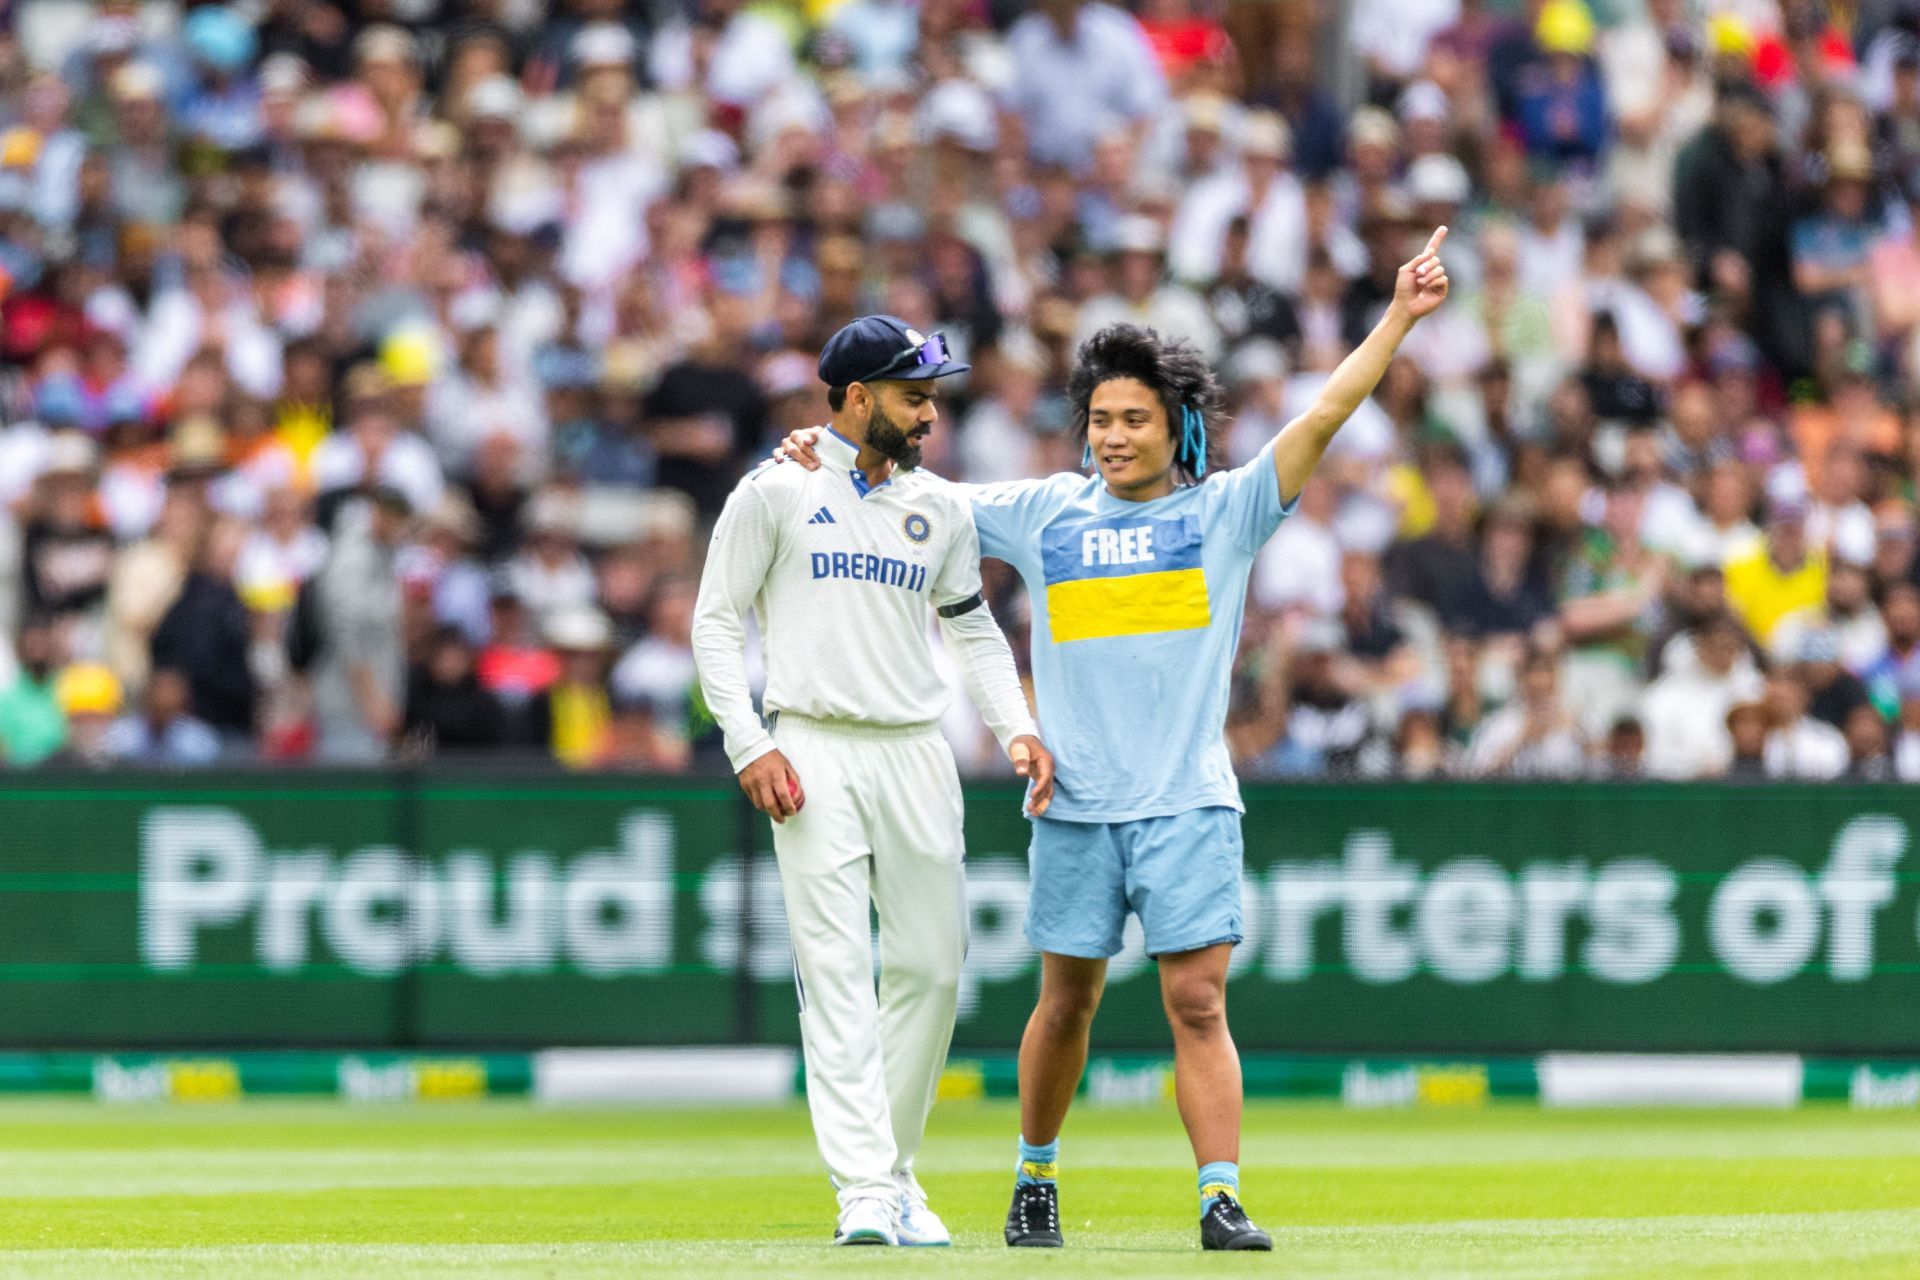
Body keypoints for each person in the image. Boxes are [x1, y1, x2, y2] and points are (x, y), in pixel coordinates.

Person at [778, 226, 1451, 1251]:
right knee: (1067, 1003)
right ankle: (1035, 1175)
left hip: (1187, 798)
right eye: (1099, 418)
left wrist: (1398, 315)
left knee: (1197, 999)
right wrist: (825, 457)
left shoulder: (1227, 512)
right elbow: (915, 496)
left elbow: (1325, 409)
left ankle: (1219, 1194)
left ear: (1175, 423)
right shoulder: (1046, 513)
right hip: (1077, 805)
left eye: (1135, 418)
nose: (1114, 435)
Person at [691, 315, 1055, 1249]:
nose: (930, 413)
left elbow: (971, 626)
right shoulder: (774, 491)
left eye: (931, 396)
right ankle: (863, 1184)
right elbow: (717, 623)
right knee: (837, 970)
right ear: (858, 400)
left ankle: (891, 1172)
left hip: (915, 748)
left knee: (934, 967)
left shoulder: (940, 506)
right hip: (812, 744)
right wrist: (748, 743)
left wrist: (1015, 726)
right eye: (912, 395)